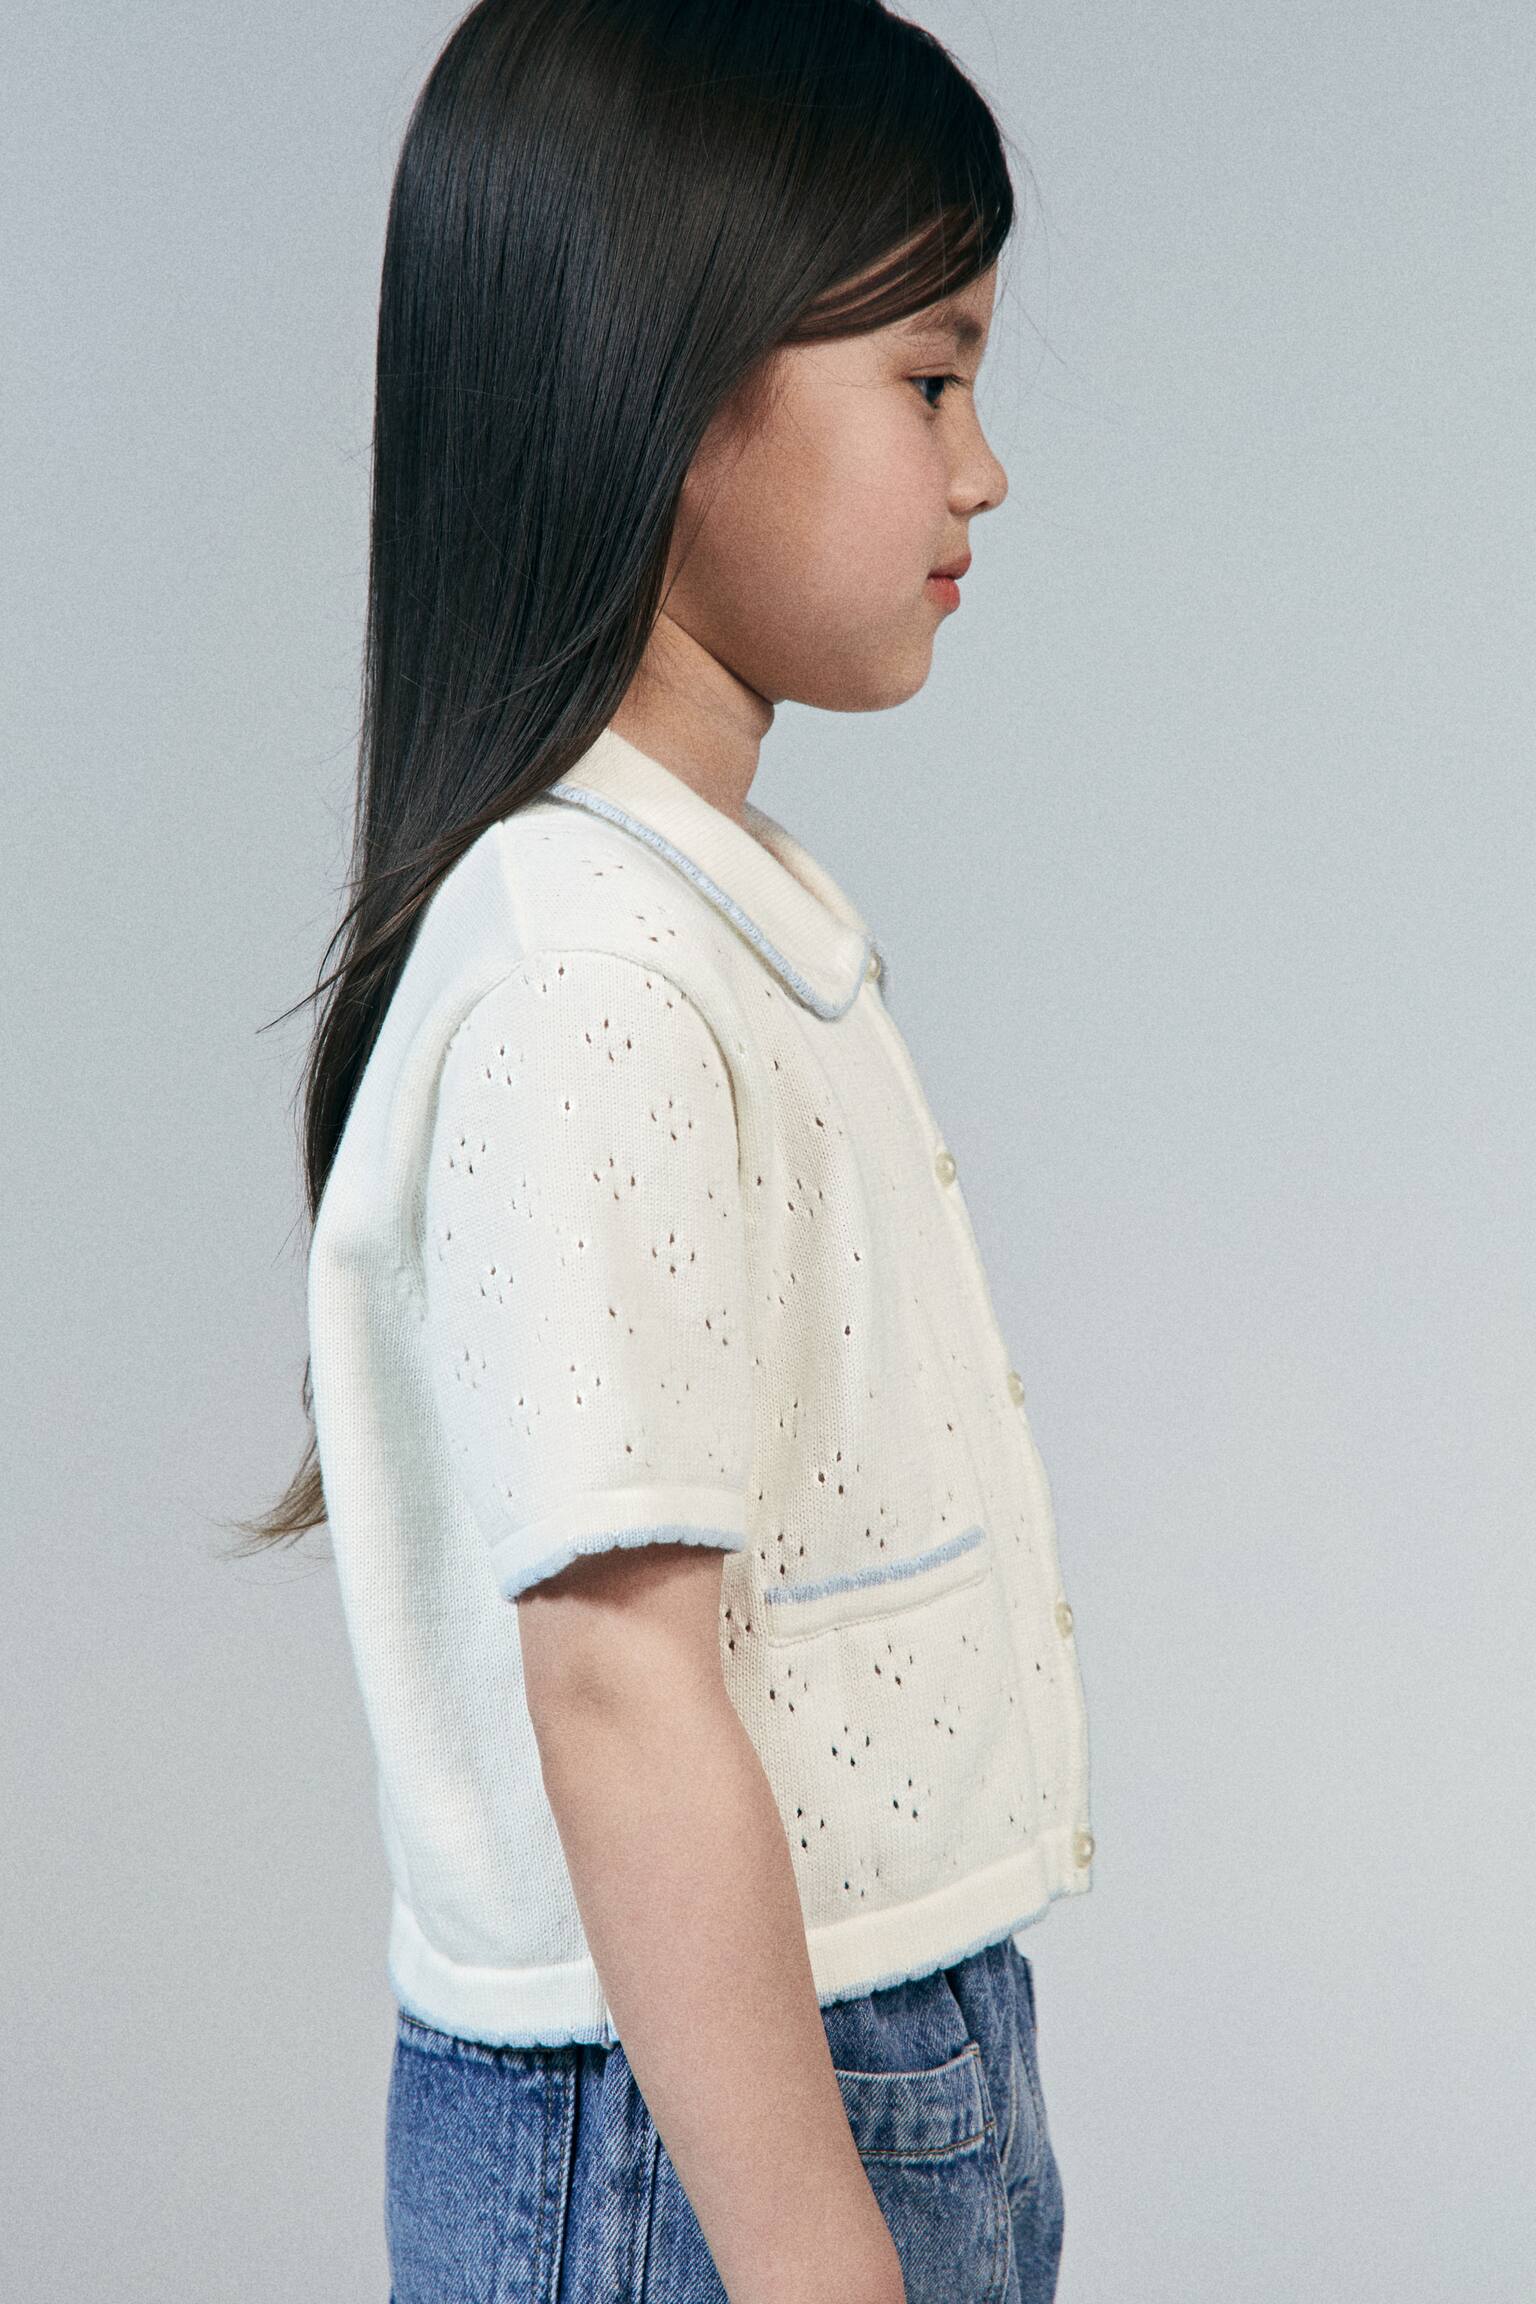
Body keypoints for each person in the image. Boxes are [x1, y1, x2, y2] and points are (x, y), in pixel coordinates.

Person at [234, 3, 1094, 2297]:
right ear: (670, 391)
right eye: (931, 378)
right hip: (695, 2130)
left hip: (826, 2050)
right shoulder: (590, 969)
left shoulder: (697, 913)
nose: (984, 472)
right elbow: (620, 1684)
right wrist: (817, 2259)